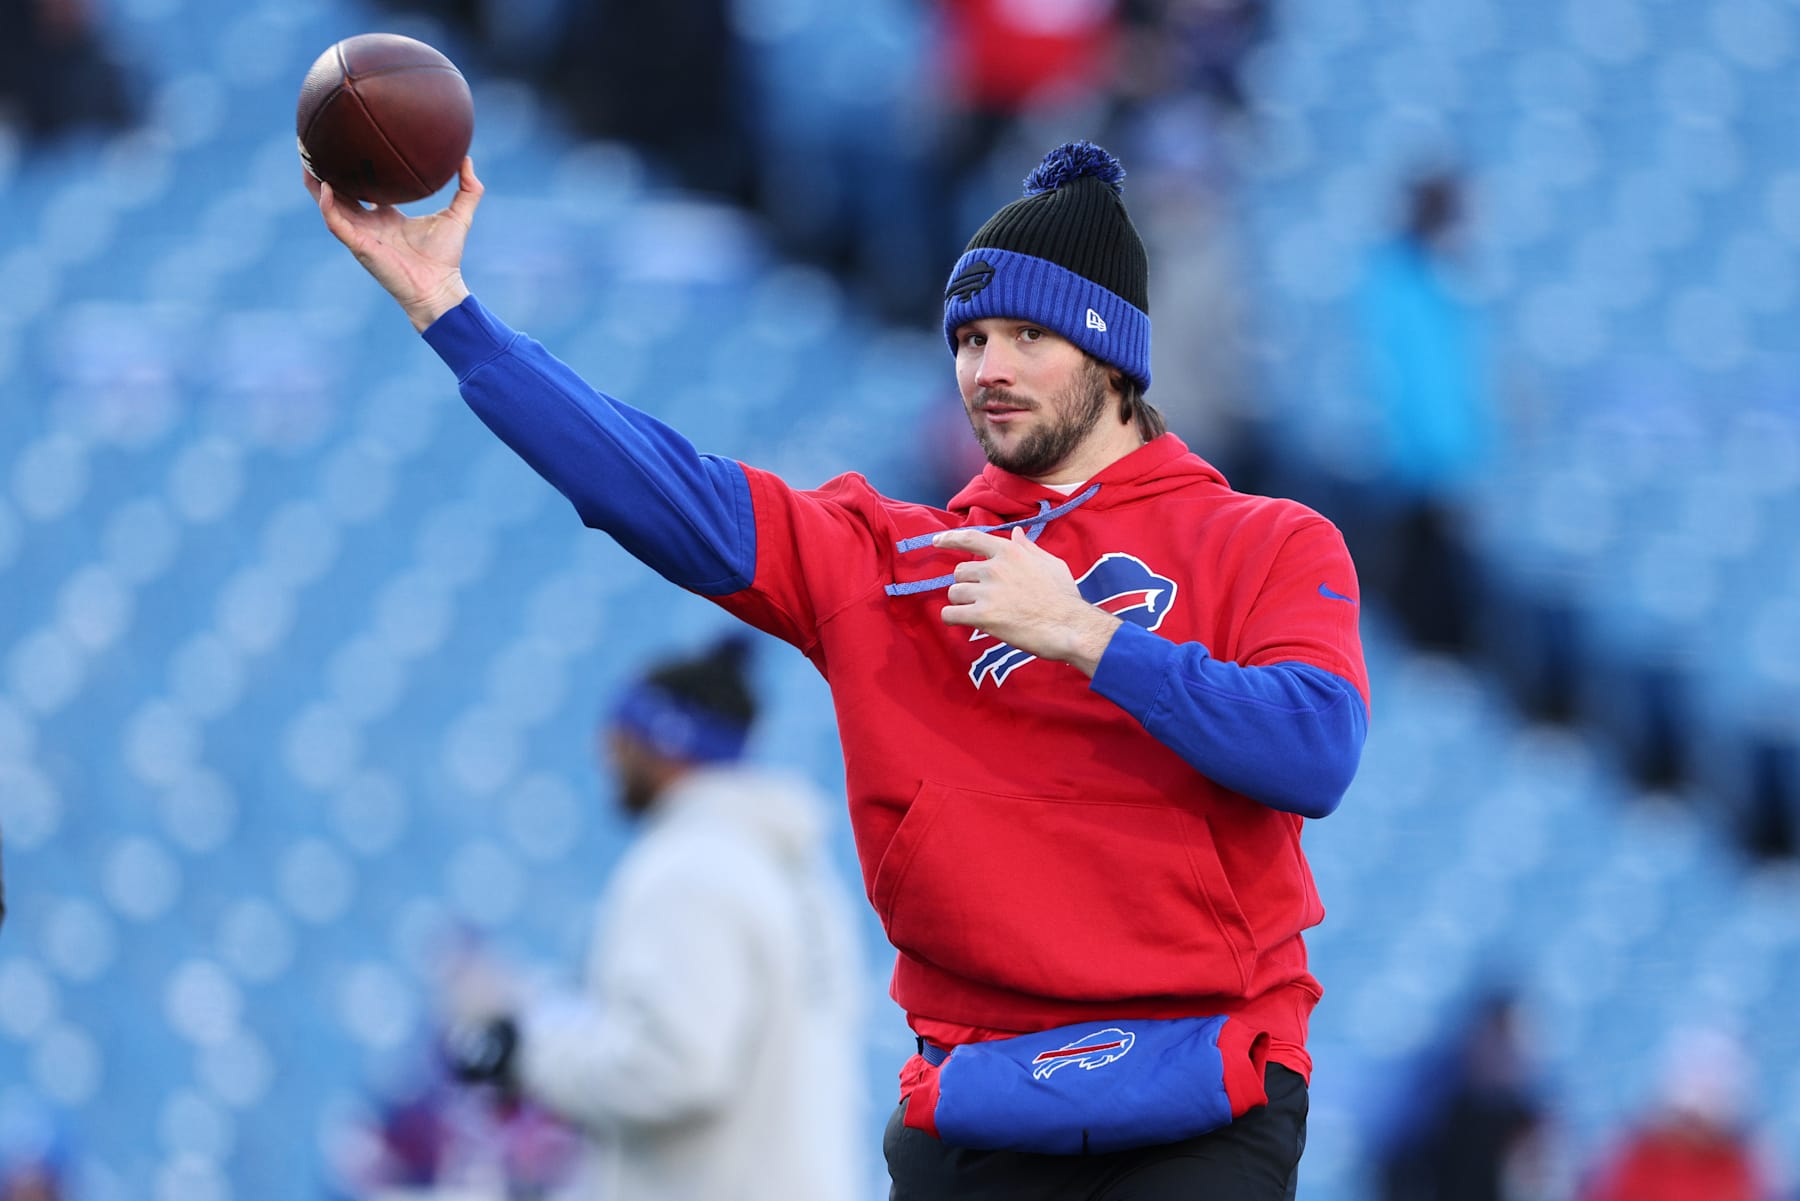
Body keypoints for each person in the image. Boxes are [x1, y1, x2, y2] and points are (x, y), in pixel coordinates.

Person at [310, 136, 1370, 1199]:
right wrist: (450, 312)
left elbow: (1316, 752)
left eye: (1027, 335)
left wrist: (1090, 636)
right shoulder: (893, 559)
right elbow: (660, 490)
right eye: (970, 337)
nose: (986, 368)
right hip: (981, 1093)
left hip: (1208, 1080)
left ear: (1111, 355)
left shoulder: (1269, 541)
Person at [440, 635, 868, 1201]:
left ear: (664, 742)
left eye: (624, 733)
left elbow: (674, 1067)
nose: (607, 749)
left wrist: (528, 1055)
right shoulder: (798, 872)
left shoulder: (690, 867)